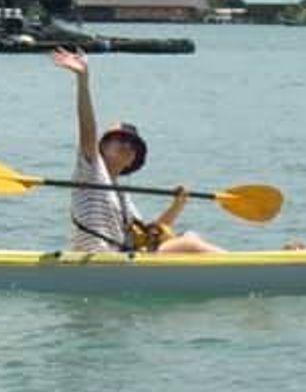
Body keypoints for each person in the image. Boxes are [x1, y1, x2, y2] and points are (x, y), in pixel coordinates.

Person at [51, 49, 222, 253]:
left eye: (133, 146)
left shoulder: (123, 196)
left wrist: (177, 205)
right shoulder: (91, 171)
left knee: (190, 236)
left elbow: (148, 236)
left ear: (132, 161)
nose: (128, 146)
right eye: (120, 140)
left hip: (120, 261)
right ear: (102, 147)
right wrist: (83, 80)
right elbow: (87, 130)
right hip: (96, 260)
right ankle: (241, 267)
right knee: (189, 244)